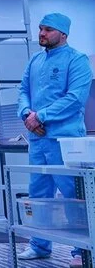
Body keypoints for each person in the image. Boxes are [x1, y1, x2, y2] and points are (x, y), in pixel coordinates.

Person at [16, 13, 91, 268]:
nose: (42, 33)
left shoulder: (76, 60)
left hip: (65, 140)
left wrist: (40, 116)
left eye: (48, 29)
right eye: (41, 28)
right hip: (38, 139)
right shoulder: (35, 60)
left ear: (63, 34)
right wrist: (26, 114)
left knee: (73, 194)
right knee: (39, 193)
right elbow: (23, 91)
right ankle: (39, 245)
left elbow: (75, 98)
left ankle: (82, 251)